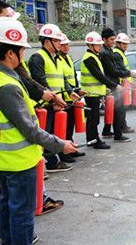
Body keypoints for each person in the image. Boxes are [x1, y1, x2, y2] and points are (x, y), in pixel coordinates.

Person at [0, 16, 78, 245]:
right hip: (19, 158)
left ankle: (8, 243)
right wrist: (61, 144)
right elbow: (30, 130)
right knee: (22, 208)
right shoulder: (6, 86)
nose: (24, 55)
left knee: (7, 201)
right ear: (10, 53)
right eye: (21, 50)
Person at [28, 24, 79, 169]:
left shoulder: (56, 58)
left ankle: (52, 160)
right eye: (56, 41)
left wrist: (69, 92)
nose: (59, 43)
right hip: (44, 104)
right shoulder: (37, 57)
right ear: (46, 41)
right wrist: (54, 98)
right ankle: (50, 163)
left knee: (54, 132)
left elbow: (62, 79)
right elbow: (40, 81)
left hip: (55, 102)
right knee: (47, 132)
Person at [80, 31, 121, 149]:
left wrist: (106, 89)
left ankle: (92, 140)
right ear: (90, 45)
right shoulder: (89, 58)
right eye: (97, 45)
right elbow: (100, 76)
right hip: (91, 94)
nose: (100, 47)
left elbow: (100, 77)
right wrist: (114, 85)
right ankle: (94, 140)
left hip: (95, 93)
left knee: (93, 119)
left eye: (100, 44)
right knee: (93, 120)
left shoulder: (94, 57)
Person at [99, 28, 132, 142]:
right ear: (104, 39)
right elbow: (113, 71)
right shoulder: (105, 53)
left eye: (114, 39)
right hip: (112, 85)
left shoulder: (109, 51)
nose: (113, 41)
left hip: (113, 84)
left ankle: (107, 131)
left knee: (113, 110)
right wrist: (128, 73)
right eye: (111, 39)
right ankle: (118, 135)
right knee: (118, 110)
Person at [59, 34, 86, 158]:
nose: (66, 47)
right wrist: (70, 91)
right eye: (63, 44)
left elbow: (73, 77)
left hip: (71, 97)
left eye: (67, 44)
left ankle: (71, 148)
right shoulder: (57, 59)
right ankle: (64, 152)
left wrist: (78, 90)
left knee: (70, 125)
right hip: (62, 97)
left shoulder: (68, 58)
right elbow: (63, 79)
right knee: (62, 127)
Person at [113, 33, 136, 133]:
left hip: (122, 83)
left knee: (118, 108)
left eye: (126, 44)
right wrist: (131, 75)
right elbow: (122, 69)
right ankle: (122, 127)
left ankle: (113, 129)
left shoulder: (120, 53)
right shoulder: (117, 54)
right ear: (118, 43)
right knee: (120, 108)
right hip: (119, 84)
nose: (125, 46)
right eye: (123, 44)